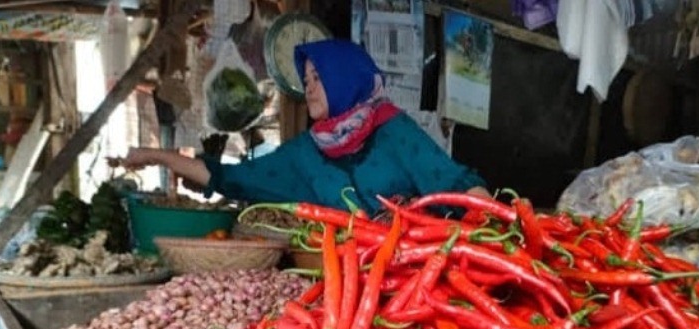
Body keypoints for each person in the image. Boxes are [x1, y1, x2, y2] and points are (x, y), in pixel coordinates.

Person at [122, 39, 489, 215]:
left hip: (416, 285)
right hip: (345, 293)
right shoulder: (306, 153)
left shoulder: (394, 130)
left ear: (346, 78)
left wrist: (506, 225)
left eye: (318, 77)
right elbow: (233, 178)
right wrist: (158, 156)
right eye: (307, 78)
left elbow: (454, 183)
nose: (309, 86)